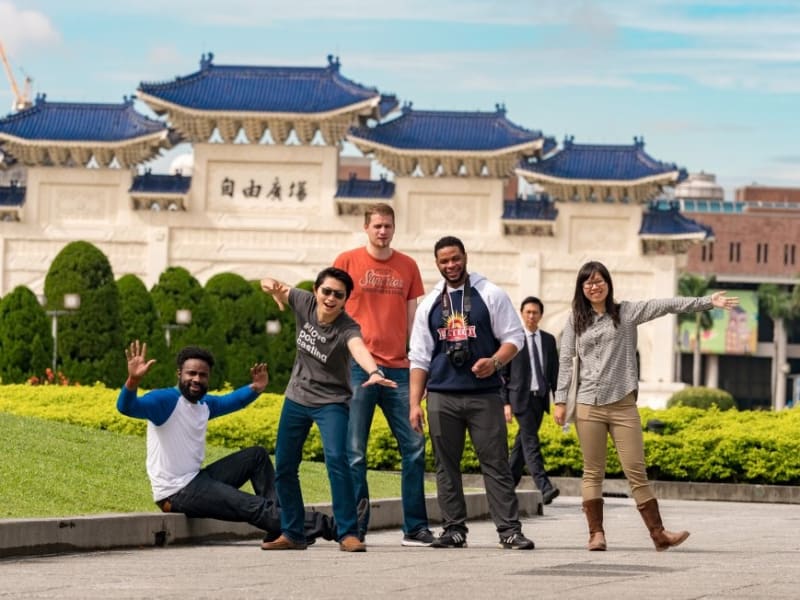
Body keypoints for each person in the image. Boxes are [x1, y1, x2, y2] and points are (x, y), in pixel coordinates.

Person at [553, 261, 739, 552]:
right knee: (592, 471)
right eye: (587, 283)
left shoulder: (626, 313)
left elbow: (664, 305)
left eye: (599, 280)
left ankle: (658, 534)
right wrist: (560, 400)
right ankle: (596, 534)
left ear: (608, 283)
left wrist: (707, 302)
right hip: (589, 404)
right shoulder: (575, 319)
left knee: (636, 470)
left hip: (623, 404)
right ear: (581, 288)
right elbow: (565, 361)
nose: (594, 286)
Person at [116, 340, 338, 546]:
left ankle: (280, 529)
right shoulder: (163, 401)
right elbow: (127, 407)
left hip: (197, 479)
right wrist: (133, 380)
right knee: (252, 506)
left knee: (257, 456)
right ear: (179, 374)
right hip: (175, 492)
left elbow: (231, 401)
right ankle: (332, 527)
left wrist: (256, 387)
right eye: (191, 373)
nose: (196, 379)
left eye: (203, 375)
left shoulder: (203, 404)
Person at [408, 235, 535, 550]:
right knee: (445, 464)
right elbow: (419, 356)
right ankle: (453, 529)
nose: (451, 266)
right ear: (436, 264)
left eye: (455, 259)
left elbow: (514, 337)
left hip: (484, 395)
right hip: (440, 395)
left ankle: (509, 530)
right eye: (444, 261)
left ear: (465, 257)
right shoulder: (429, 304)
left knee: (495, 462)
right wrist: (414, 403)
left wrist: (494, 362)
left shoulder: (490, 293)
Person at [259, 267, 397, 553]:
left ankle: (348, 533)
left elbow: (357, 347)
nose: (331, 298)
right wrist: (270, 284)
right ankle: (293, 532)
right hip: (297, 397)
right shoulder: (303, 301)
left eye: (338, 295)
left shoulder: (347, 327)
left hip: (332, 402)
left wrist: (373, 370)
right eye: (327, 292)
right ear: (315, 291)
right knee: (284, 465)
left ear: (345, 299)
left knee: (337, 461)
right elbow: (279, 287)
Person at [333, 202, 432, 546]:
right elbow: (333, 311)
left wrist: (418, 364)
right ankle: (356, 528)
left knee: (415, 445)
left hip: (399, 370)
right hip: (358, 369)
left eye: (388, 225)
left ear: (394, 227)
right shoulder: (347, 261)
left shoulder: (408, 266)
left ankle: (415, 527)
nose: (382, 231)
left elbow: (414, 320)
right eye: (376, 226)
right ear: (366, 227)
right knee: (356, 452)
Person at [502, 296, 560, 505]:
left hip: (539, 399)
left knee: (521, 446)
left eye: (535, 312)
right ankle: (544, 487)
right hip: (520, 399)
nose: (531, 316)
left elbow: (554, 374)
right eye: (528, 312)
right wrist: (505, 403)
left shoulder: (548, 340)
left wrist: (559, 403)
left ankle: (505, 487)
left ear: (540, 315)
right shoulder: (513, 340)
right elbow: (503, 374)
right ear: (522, 313)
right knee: (531, 443)